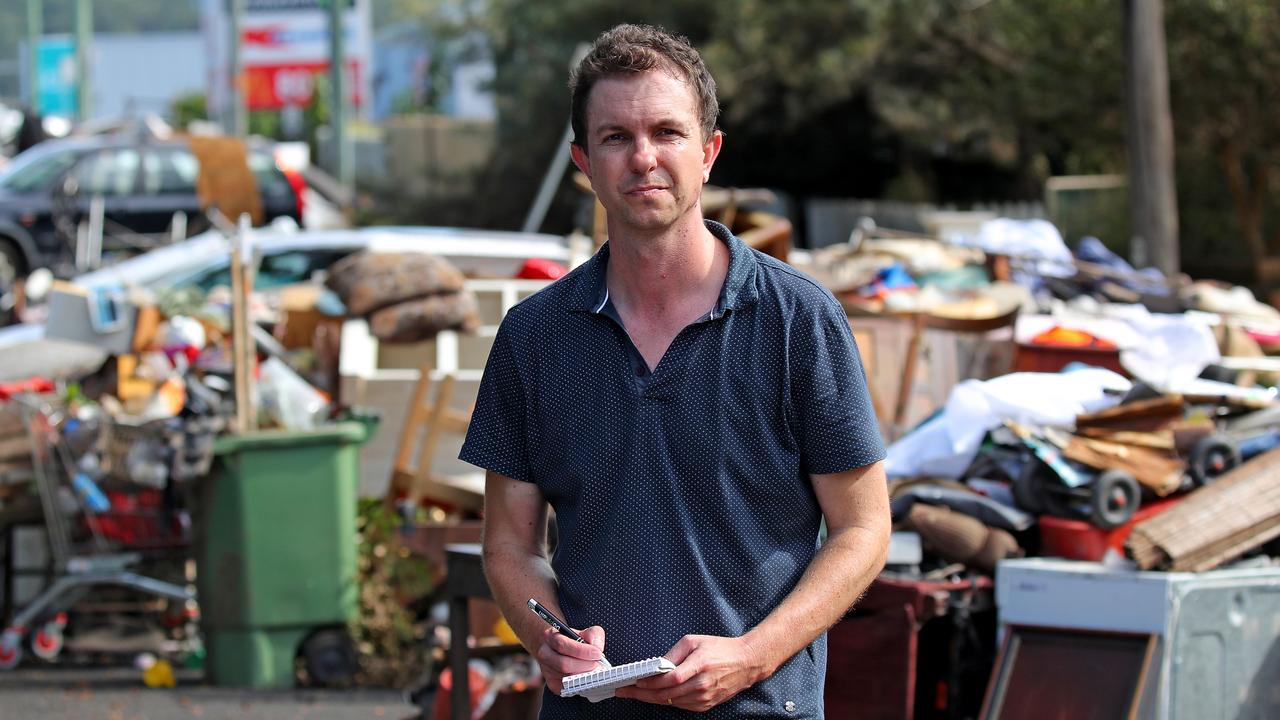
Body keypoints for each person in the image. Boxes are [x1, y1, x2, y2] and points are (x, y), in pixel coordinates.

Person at [460, 23, 890, 718]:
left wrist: (753, 654)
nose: (643, 158)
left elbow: (864, 531)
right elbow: (509, 544)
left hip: (761, 708)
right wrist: (546, 637)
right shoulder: (533, 338)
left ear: (710, 151)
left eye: (667, 132)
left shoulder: (797, 322)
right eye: (615, 138)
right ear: (583, 160)